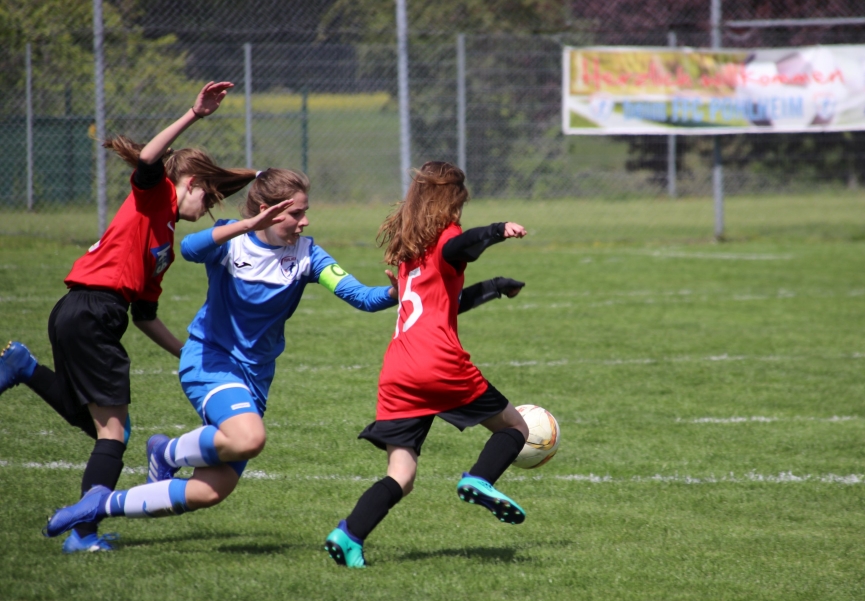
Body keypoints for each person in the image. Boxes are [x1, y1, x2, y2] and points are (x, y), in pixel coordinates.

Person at [43, 168, 400, 541]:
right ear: (266, 211)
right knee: (249, 439)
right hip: (211, 362)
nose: (305, 221)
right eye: (296, 213)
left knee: (209, 491)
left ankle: (98, 504)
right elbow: (190, 248)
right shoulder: (232, 240)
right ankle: (168, 454)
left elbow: (361, 297)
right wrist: (245, 226)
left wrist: (393, 293)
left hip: (255, 378)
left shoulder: (307, 255)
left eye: (304, 212)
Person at [0, 81, 258, 553]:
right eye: (208, 198)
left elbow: (146, 315)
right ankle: (83, 534)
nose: (208, 210)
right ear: (189, 183)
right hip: (92, 312)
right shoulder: (156, 196)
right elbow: (149, 159)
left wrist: (189, 354)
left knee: (93, 423)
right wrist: (194, 114)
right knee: (114, 433)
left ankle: (25, 368)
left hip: (83, 314)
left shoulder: (164, 244)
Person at [323, 161, 529, 568]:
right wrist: (497, 230)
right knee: (515, 427)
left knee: (401, 474)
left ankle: (349, 535)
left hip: (398, 370)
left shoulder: (411, 254)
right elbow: (462, 245)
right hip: (438, 363)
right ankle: (480, 479)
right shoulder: (447, 239)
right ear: (453, 200)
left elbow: (444, 305)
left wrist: (493, 287)